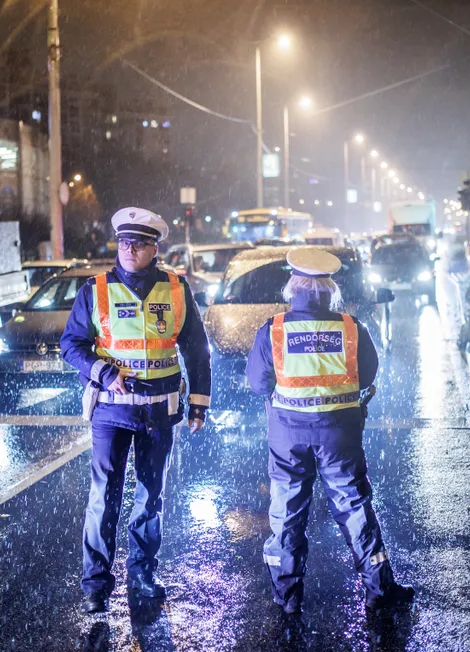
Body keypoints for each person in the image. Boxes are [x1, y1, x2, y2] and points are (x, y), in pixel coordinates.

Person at [246, 247, 414, 615]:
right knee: (355, 507)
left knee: (288, 512)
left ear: (293, 287)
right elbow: (367, 374)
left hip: (288, 436)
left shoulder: (273, 330)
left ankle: (288, 596)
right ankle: (379, 588)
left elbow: (259, 384)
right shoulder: (352, 328)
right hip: (340, 434)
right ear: (330, 290)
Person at [61, 207, 212, 614]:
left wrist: (199, 404)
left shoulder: (177, 289)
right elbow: (71, 346)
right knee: (104, 498)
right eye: (124, 242)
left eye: (139, 243)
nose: (129, 249)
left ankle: (143, 575)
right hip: (111, 412)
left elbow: (196, 350)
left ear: (154, 249)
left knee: (150, 497)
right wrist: (104, 372)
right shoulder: (95, 290)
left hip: (159, 413)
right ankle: (95, 585)